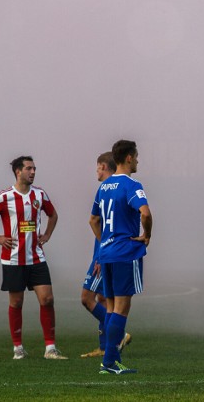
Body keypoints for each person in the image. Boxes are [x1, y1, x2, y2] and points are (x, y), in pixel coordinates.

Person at [0, 156, 67, 360]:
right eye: (28, 168)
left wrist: (48, 235)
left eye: (34, 168)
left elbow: (53, 215)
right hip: (13, 259)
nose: (33, 172)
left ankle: (50, 348)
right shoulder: (5, 196)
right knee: (16, 303)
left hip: (37, 258)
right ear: (18, 172)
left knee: (47, 299)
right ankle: (18, 349)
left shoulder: (40, 194)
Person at [90, 140, 152, 375]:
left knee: (113, 306)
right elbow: (145, 213)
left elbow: (93, 220)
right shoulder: (131, 185)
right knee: (121, 308)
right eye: (136, 156)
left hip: (106, 253)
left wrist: (105, 239)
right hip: (125, 252)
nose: (137, 161)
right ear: (128, 158)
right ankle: (110, 361)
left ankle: (109, 360)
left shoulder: (103, 187)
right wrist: (147, 235)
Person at [80, 152, 131, 358]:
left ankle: (117, 335)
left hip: (105, 254)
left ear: (104, 167)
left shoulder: (107, 190)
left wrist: (101, 253)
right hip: (108, 252)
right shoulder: (115, 189)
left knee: (87, 298)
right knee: (102, 298)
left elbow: (95, 221)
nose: (96, 171)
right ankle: (104, 346)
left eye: (98, 167)